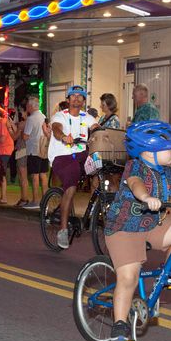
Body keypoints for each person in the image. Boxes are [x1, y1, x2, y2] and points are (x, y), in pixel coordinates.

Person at [104, 120, 171, 341]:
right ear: (148, 152)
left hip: (151, 224)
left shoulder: (167, 172)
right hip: (124, 228)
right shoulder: (135, 167)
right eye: (167, 148)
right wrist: (146, 197)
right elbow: (136, 184)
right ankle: (119, 324)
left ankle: (166, 273)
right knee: (128, 278)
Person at [47, 85, 99, 248]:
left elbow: (96, 128)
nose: (76, 98)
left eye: (80, 96)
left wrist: (100, 132)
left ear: (84, 100)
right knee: (71, 185)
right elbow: (56, 129)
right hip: (62, 156)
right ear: (68, 99)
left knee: (102, 165)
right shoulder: (60, 116)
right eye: (73, 95)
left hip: (80, 155)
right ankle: (63, 229)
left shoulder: (88, 117)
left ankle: (100, 204)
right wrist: (63, 136)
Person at [23, 96, 49, 209]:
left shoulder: (31, 119)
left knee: (34, 176)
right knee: (43, 175)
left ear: (31, 106)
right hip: (43, 149)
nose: (26, 107)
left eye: (27, 105)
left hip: (33, 150)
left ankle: (35, 201)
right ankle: (46, 199)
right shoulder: (43, 116)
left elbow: (25, 136)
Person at [12, 102, 30, 207]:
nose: (21, 113)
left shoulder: (23, 124)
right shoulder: (29, 123)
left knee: (22, 176)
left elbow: (14, 137)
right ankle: (24, 197)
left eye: (22, 111)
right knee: (23, 175)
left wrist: (10, 129)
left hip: (21, 150)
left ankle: (24, 198)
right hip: (26, 149)